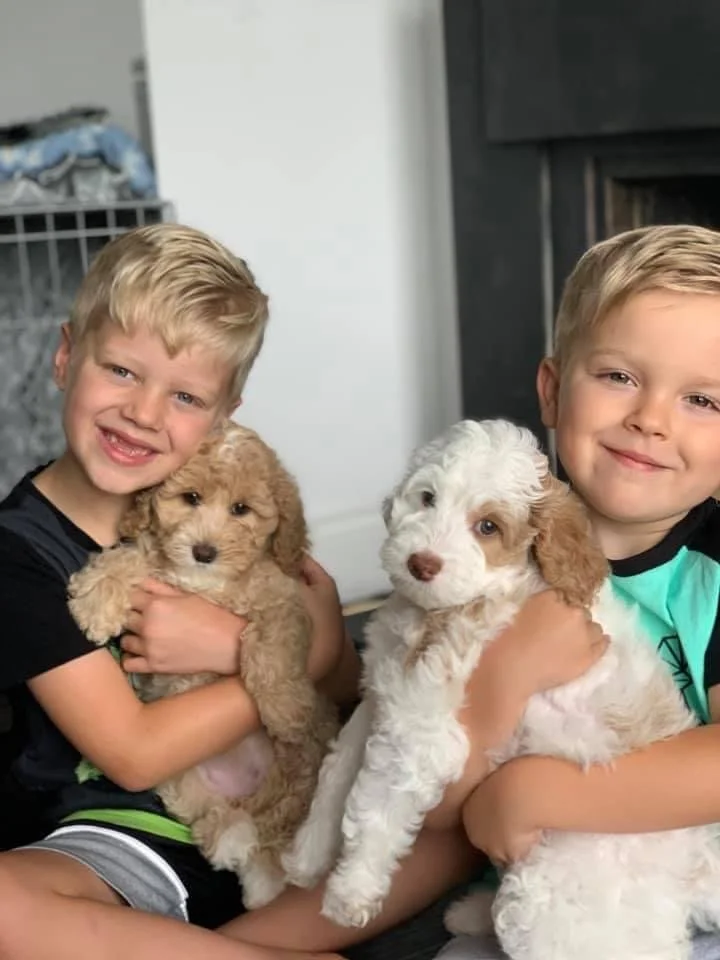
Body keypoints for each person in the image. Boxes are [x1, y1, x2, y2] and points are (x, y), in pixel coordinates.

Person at [0, 222, 604, 960]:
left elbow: (350, 692)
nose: (145, 413)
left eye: (186, 395)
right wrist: (299, 654)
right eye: (121, 372)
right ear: (66, 356)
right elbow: (132, 754)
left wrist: (275, 651)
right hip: (129, 838)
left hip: (293, 819)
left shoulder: (244, 512)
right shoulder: (18, 554)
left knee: (454, 798)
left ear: (225, 415)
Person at [434, 223, 720, 960]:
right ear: (554, 392)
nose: (650, 420)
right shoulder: (490, 547)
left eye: (702, 400)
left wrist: (542, 791)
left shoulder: (715, 571)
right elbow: (432, 781)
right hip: (547, 888)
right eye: (620, 376)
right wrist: (503, 680)